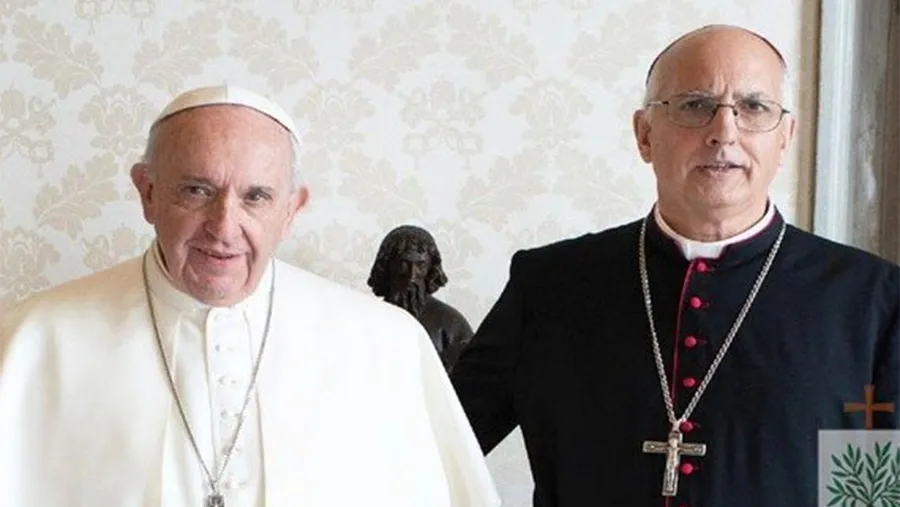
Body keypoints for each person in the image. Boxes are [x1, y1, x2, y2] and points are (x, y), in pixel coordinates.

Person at [450, 24, 900, 507]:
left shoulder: (869, 301)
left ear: (785, 137)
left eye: (753, 108)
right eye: (694, 105)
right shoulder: (548, 287)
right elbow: (428, 448)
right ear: (645, 135)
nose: (723, 132)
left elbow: (874, 496)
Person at [0, 85, 500, 507]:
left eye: (256, 196)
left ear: (292, 207)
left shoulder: (388, 345)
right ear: (146, 192)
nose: (224, 227)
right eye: (196, 190)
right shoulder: (32, 339)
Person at [367, 224, 475, 372]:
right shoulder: (367, 318)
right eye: (403, 264)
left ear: (430, 268)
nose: (411, 277)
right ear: (387, 266)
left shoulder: (450, 324)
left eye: (420, 265)